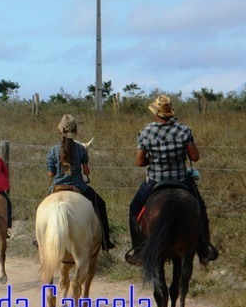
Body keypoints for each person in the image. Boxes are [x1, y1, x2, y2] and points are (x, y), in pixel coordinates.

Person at [126, 95, 218, 266]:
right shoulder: (184, 130)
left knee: (134, 209)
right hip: (181, 179)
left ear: (155, 113)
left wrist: (151, 161)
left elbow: (139, 162)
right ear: (169, 112)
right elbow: (195, 157)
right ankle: (204, 249)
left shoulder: (146, 132)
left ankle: (138, 251)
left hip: (155, 180)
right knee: (201, 208)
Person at [46, 114, 115, 250]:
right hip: (78, 186)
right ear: (74, 132)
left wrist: (57, 171)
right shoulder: (81, 149)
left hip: (57, 187)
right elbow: (87, 171)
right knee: (100, 204)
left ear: (60, 131)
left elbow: (50, 174)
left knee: (43, 210)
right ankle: (105, 241)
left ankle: (39, 240)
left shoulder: (52, 150)